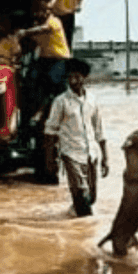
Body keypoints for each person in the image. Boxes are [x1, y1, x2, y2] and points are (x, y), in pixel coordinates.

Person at [42, 58, 107, 216]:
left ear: (84, 78)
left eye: (77, 77)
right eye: (70, 77)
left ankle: (73, 214)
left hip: (91, 153)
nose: (74, 81)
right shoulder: (60, 102)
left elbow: (99, 129)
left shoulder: (92, 100)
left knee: (91, 198)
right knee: (80, 194)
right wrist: (50, 160)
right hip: (71, 153)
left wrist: (106, 157)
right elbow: (50, 132)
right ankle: (85, 231)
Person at [18, 0, 73, 135]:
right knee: (29, 82)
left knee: (52, 85)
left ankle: (42, 113)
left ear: (48, 11)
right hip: (44, 60)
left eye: (43, 11)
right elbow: (29, 45)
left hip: (59, 59)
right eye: (37, 11)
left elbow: (43, 30)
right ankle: (27, 117)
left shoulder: (54, 22)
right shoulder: (37, 27)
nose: (40, 14)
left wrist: (24, 32)